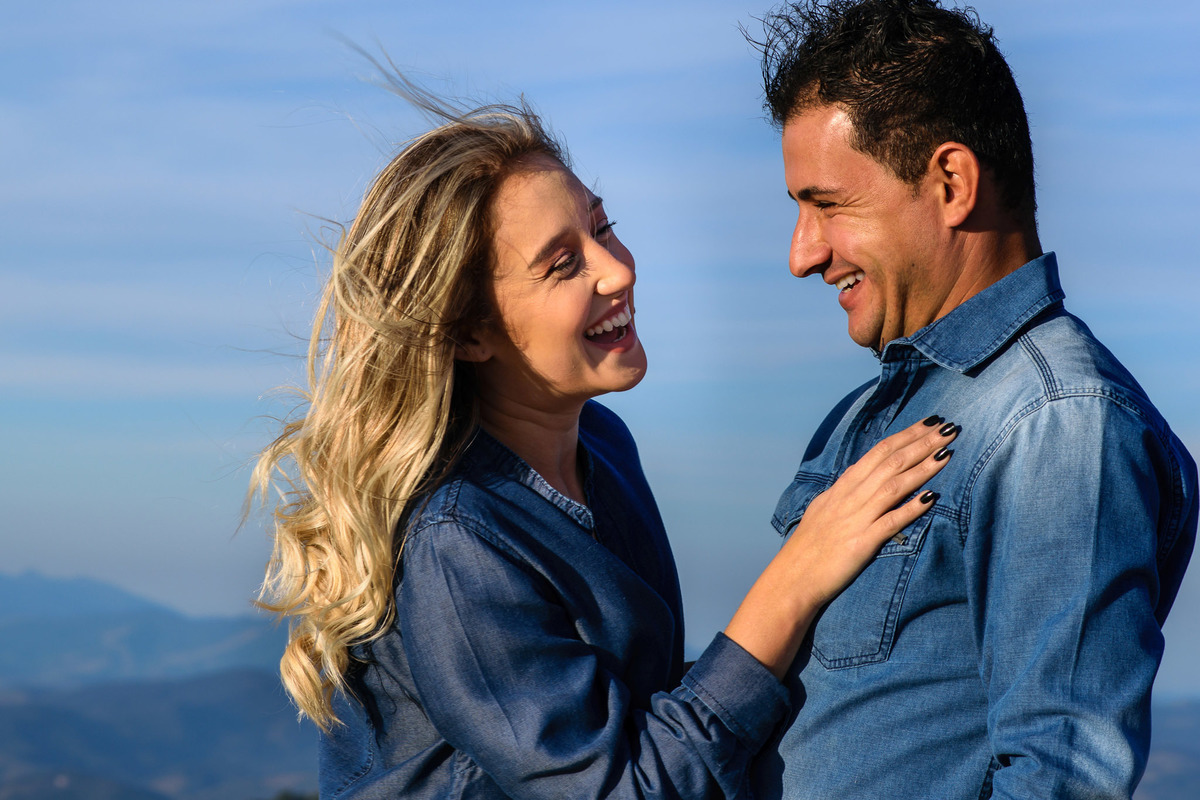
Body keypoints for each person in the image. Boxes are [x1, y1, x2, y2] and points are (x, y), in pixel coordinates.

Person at [250, 85, 958, 800]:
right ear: (468, 332)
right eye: (562, 264)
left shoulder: (603, 446)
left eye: (602, 227)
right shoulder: (457, 542)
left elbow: (646, 713)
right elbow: (626, 788)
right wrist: (797, 577)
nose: (618, 269)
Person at [747, 2, 1198, 799]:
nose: (802, 253)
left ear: (952, 183)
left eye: (828, 205)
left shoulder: (1058, 423)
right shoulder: (864, 415)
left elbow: (1061, 779)